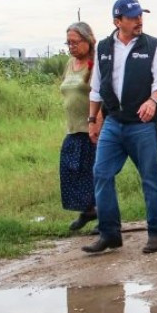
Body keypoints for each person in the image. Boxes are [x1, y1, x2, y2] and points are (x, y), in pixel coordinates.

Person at [83, 0, 157, 254]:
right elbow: (97, 86)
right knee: (101, 173)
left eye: (140, 16)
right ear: (117, 21)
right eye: (133, 17)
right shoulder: (104, 48)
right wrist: (92, 120)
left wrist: (153, 101)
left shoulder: (153, 46)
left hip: (141, 124)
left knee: (150, 177)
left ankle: (156, 232)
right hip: (113, 122)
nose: (139, 21)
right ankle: (109, 233)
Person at [60, 22, 100, 231]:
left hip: (91, 128)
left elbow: (100, 94)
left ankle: (104, 214)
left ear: (88, 41)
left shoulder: (95, 63)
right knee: (70, 170)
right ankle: (87, 210)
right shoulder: (70, 63)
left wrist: (96, 121)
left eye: (75, 42)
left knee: (93, 174)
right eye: (68, 43)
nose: (71, 47)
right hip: (73, 128)